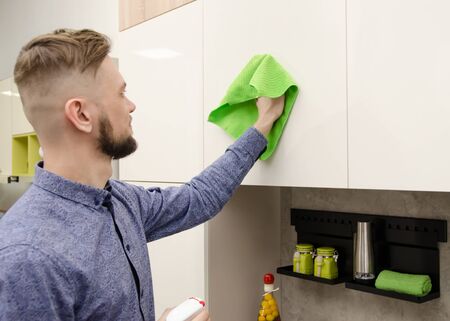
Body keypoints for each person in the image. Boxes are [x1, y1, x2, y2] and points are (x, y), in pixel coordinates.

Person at [0, 29, 285, 321]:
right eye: (121, 93)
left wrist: (263, 124)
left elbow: (198, 198)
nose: (131, 105)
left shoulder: (120, 201)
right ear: (82, 115)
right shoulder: (25, 257)